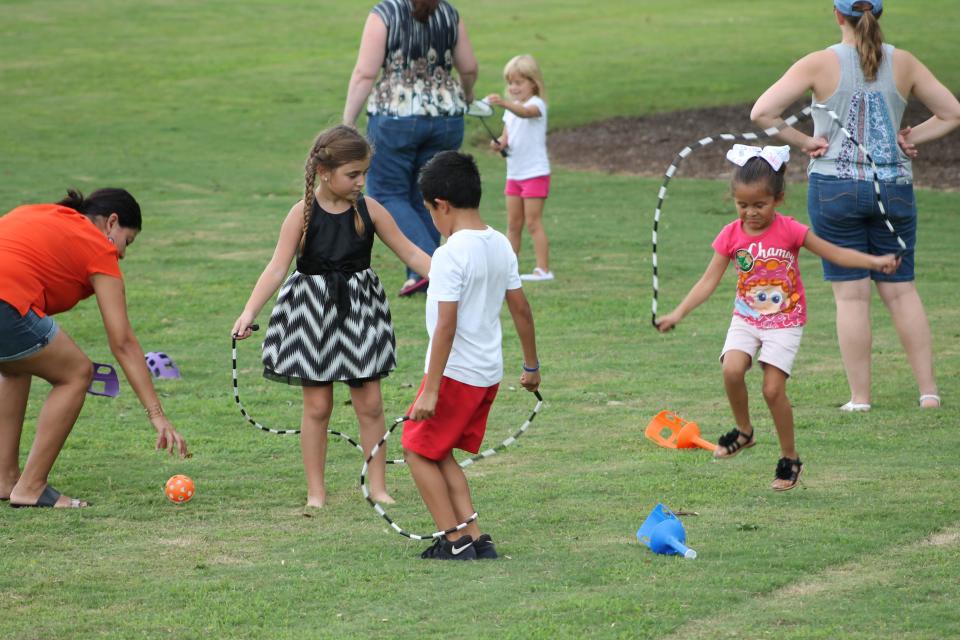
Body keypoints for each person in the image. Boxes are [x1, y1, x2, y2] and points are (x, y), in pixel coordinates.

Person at [751, 0, 960, 411]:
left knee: (851, 298)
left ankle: (860, 399)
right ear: (878, 15)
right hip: (893, 186)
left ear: (837, 15)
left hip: (834, 187)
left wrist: (805, 141)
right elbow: (952, 113)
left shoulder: (819, 63)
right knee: (902, 292)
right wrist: (911, 136)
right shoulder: (905, 63)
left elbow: (763, 112)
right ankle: (928, 393)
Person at [656, 146, 899, 490]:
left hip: (785, 320)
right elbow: (708, 281)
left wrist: (875, 262)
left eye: (760, 205)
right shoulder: (731, 234)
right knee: (731, 368)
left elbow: (835, 252)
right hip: (746, 318)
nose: (751, 213)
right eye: (743, 205)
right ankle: (744, 432)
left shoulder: (791, 231)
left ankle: (790, 459)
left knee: (773, 391)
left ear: (778, 199)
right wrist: (677, 312)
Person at [231, 125, 432, 508]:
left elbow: (410, 253)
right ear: (325, 173)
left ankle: (378, 487)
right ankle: (316, 492)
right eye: (353, 174)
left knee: (370, 404)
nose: (361, 182)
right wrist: (248, 311)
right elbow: (276, 268)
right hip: (311, 315)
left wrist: (450, 277)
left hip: (361, 312)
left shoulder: (370, 210)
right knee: (318, 407)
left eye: (364, 173)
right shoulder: (301, 214)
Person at [0, 188, 189, 508]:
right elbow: (123, 341)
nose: (123, 254)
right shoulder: (98, 245)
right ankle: (30, 487)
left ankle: (5, 478)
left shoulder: (44, 213)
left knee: (20, 364)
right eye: (126, 242)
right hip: (6, 301)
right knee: (76, 372)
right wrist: (157, 414)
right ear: (111, 223)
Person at [401, 151, 540, 560]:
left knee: (416, 449)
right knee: (438, 450)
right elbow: (521, 309)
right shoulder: (499, 243)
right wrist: (531, 367)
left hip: (455, 374)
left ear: (441, 205)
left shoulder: (449, 253)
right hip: (486, 372)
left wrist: (430, 389)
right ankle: (476, 537)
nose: (432, 219)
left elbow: (446, 326)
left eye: (429, 211)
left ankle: (453, 540)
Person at [343, 0, 478, 297]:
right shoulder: (448, 13)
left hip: (395, 116)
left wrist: (348, 120)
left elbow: (365, 73)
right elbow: (468, 67)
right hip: (446, 117)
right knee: (427, 194)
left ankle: (433, 267)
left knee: (386, 194)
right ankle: (418, 275)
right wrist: (467, 97)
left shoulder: (385, 13)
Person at [487, 54, 554, 282]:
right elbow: (506, 137)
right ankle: (509, 270)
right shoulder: (511, 109)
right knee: (513, 224)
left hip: (535, 173)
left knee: (533, 223)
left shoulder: (537, 105)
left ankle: (543, 269)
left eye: (518, 82)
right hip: (514, 174)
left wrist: (505, 103)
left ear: (533, 83)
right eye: (510, 83)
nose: (513, 88)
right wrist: (498, 144)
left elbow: (525, 114)